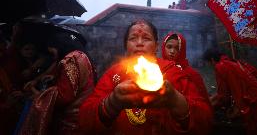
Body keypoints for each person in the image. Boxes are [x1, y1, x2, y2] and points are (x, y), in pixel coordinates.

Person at [79, 19, 213, 135]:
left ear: (156, 46)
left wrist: (175, 100)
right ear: (126, 46)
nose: (139, 43)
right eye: (133, 38)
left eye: (146, 38)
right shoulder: (114, 74)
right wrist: (112, 102)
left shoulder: (172, 72)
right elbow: (84, 121)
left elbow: (205, 120)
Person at [20, 27, 95, 135]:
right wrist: (55, 78)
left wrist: (40, 96)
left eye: (53, 52)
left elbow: (63, 97)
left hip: (71, 121)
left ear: (60, 47)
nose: (54, 56)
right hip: (83, 115)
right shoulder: (81, 55)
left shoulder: (70, 60)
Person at [203, 48, 257, 135]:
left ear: (211, 59)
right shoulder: (234, 62)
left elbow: (223, 96)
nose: (210, 66)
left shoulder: (220, 66)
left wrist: (208, 106)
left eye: (209, 63)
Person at [161, 32, 211, 103]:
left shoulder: (192, 74)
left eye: (177, 48)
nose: (172, 51)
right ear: (163, 47)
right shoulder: (156, 69)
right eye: (169, 47)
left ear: (182, 51)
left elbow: (203, 103)